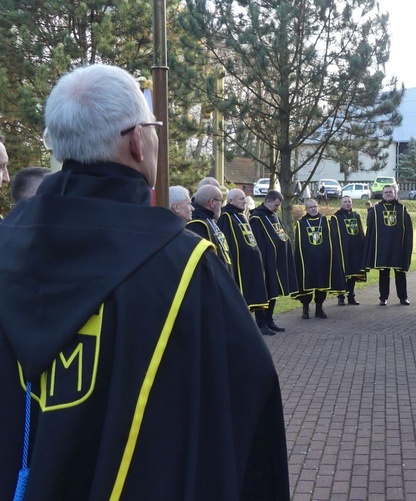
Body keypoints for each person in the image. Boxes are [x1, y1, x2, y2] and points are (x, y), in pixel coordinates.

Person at [0, 64, 289, 500]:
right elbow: (247, 403)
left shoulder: (7, 245)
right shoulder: (185, 267)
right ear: (138, 140)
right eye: (154, 127)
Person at [249, 190, 298, 335]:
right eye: (276, 205)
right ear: (268, 201)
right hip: (265, 262)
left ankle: (269, 320)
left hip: (276, 261)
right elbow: (257, 242)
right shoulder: (257, 218)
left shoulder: (274, 215)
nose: (277, 208)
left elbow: (281, 235)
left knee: (274, 291)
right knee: (264, 291)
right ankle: (261, 323)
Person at [218, 188, 270, 312]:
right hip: (240, 264)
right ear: (230, 200)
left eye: (244, 199)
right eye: (241, 199)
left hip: (250, 263)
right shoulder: (226, 217)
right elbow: (228, 242)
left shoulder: (241, 216)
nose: (244, 202)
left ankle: (261, 323)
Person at [292, 199, 346, 319]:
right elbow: (299, 244)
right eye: (310, 207)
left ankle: (319, 308)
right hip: (308, 261)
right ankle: (305, 309)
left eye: (315, 206)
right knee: (307, 284)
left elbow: (332, 240)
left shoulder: (325, 221)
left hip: (323, 260)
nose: (313, 209)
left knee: (322, 284)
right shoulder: (301, 224)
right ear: (306, 209)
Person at [362, 185, 413, 305]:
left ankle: (403, 297)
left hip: (398, 248)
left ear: (395, 193)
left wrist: (406, 246)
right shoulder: (376, 209)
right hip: (382, 248)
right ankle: (383, 298)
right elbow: (370, 229)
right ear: (382, 194)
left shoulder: (402, 209)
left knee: (400, 273)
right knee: (383, 274)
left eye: (390, 192)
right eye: (386, 192)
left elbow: (409, 230)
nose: (388, 194)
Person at [186, 185, 233, 271]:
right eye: (221, 201)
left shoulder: (209, 220)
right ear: (212, 202)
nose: (222, 205)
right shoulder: (197, 224)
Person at [331, 195, 366, 306]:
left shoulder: (356, 216)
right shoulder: (336, 217)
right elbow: (333, 235)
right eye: (345, 202)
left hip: (355, 250)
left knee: (353, 274)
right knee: (343, 274)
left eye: (349, 202)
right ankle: (341, 297)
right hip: (342, 250)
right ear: (341, 203)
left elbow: (360, 232)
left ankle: (351, 296)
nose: (347, 203)